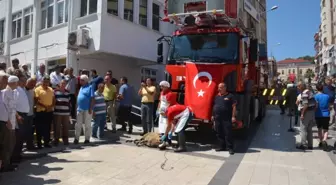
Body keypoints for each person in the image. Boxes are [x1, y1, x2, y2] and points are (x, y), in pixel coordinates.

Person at [211, 83, 236, 155]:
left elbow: (234, 107)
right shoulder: (217, 96)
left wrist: (233, 116)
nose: (219, 89)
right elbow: (214, 106)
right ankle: (222, 146)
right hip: (217, 118)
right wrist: (213, 115)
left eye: (221, 87)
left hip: (226, 118)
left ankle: (230, 148)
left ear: (225, 88)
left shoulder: (230, 96)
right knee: (219, 133)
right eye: (218, 88)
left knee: (228, 133)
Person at [11, 75, 29, 163]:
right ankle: (14, 157)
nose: (24, 82)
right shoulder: (15, 91)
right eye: (23, 81)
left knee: (21, 137)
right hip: (19, 115)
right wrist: (17, 116)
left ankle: (18, 155)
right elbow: (13, 105)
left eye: (25, 81)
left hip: (24, 115)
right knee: (18, 137)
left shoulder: (22, 89)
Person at [2, 76, 19, 170]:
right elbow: (3, 109)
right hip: (7, 123)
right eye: (16, 82)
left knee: (12, 143)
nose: (17, 84)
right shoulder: (4, 92)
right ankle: (5, 165)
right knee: (7, 144)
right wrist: (7, 121)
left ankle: (8, 162)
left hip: (12, 122)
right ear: (13, 83)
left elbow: (13, 108)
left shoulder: (13, 92)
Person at [34, 76, 55, 149]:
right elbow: (36, 100)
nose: (46, 83)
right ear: (42, 81)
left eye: (47, 81)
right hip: (40, 112)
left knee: (48, 128)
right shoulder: (37, 89)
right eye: (45, 81)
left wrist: (51, 106)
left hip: (49, 112)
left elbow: (53, 99)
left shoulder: (51, 89)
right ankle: (39, 143)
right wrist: (45, 107)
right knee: (39, 128)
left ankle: (46, 143)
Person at [74, 75, 94, 144]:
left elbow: (92, 98)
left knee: (87, 125)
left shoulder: (90, 87)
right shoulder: (81, 88)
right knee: (78, 124)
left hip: (87, 109)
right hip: (80, 109)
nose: (80, 81)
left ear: (85, 81)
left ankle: (87, 139)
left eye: (81, 80)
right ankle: (76, 139)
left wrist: (91, 108)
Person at [296, 81, 316, 150]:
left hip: (306, 112)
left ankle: (303, 144)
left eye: (298, 86)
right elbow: (316, 103)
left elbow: (305, 105)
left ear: (301, 86)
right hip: (312, 112)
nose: (297, 88)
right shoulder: (310, 92)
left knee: (303, 129)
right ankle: (310, 145)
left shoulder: (304, 93)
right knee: (309, 130)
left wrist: (302, 114)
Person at [53, 80, 71, 146]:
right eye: (62, 83)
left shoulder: (67, 92)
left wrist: (70, 113)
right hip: (57, 113)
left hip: (66, 113)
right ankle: (56, 140)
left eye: (64, 83)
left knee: (66, 127)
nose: (63, 84)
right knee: (57, 127)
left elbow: (69, 103)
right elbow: (53, 102)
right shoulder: (55, 92)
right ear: (59, 84)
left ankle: (65, 140)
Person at [314, 84, 330, 151]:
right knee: (325, 129)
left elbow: (316, 106)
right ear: (322, 89)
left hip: (318, 114)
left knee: (319, 129)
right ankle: (324, 140)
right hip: (326, 114)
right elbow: (329, 105)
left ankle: (321, 141)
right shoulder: (327, 96)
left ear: (317, 89)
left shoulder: (315, 96)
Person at [24, 78, 37, 150]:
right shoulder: (22, 90)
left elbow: (32, 102)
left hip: (31, 114)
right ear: (27, 83)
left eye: (34, 84)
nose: (33, 86)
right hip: (24, 114)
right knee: (23, 131)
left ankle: (30, 145)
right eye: (32, 84)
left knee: (30, 131)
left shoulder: (32, 91)